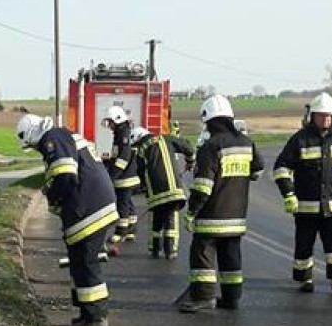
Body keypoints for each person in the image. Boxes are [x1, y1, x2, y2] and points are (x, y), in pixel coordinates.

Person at [17, 114, 117, 326]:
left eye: (33, 145)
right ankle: (87, 314)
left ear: (34, 134)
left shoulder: (53, 138)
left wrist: (53, 197)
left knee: (86, 262)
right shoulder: (62, 135)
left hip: (89, 207)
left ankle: (96, 318)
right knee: (79, 261)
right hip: (93, 204)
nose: (36, 149)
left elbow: (65, 177)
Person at [176, 95, 264, 313]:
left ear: (210, 121)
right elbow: (258, 171)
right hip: (236, 217)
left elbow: (203, 186)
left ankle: (203, 297)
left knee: (203, 254)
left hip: (211, 216)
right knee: (231, 256)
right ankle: (231, 297)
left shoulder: (211, 147)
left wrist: (192, 212)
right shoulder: (246, 143)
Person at [272, 92, 332, 293]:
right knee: (304, 244)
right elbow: (281, 168)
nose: (324, 119)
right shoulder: (300, 140)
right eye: (320, 115)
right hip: (306, 206)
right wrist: (289, 194)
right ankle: (304, 278)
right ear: (313, 116)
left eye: (328, 116)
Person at [132, 126, 194, 258]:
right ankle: (171, 250)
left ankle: (155, 249)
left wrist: (144, 189)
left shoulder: (141, 151)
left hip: (155, 194)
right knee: (171, 217)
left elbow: (141, 174)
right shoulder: (166, 139)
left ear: (139, 140)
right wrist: (190, 161)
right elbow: (188, 147)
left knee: (157, 219)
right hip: (174, 190)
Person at [101, 104, 139, 242]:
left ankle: (121, 232)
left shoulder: (122, 134)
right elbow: (118, 155)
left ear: (116, 120)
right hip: (128, 176)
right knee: (128, 203)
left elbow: (123, 158)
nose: (109, 125)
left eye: (110, 122)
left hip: (125, 178)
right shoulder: (121, 132)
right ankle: (131, 230)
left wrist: (112, 176)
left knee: (122, 204)